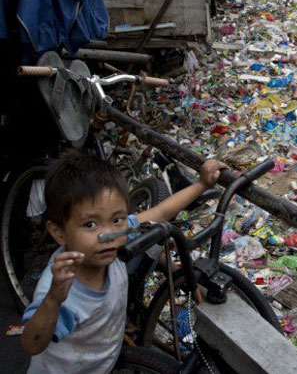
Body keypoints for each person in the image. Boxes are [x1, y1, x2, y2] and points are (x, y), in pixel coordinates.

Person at [20, 152, 227, 373]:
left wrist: (202, 184)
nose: (108, 234)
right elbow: (32, 344)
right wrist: (53, 300)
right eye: (90, 225)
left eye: (117, 219)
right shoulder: (62, 288)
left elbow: (160, 212)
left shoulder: (117, 235)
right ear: (59, 232)